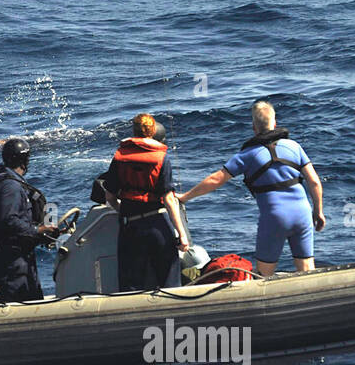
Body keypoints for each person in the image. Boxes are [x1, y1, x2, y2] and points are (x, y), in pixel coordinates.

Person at [179, 100, 325, 277]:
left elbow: (216, 179)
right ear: (275, 123)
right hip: (302, 213)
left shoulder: (247, 155)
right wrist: (318, 212)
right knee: (307, 269)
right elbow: (315, 182)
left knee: (264, 274)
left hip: (274, 217)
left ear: (254, 128)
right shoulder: (294, 146)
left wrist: (185, 196)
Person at [102, 113, 191, 290]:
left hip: (131, 228)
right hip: (158, 225)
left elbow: (110, 197)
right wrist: (182, 234)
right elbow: (169, 199)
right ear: (153, 132)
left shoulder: (120, 157)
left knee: (130, 286)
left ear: (134, 132)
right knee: (170, 283)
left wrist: (124, 212)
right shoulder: (161, 158)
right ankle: (170, 318)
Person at [0, 138, 58, 302]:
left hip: (11, 256)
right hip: (10, 259)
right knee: (24, 301)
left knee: (28, 298)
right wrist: (38, 230)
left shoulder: (6, 181)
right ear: (25, 160)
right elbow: (9, 221)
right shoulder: (11, 187)